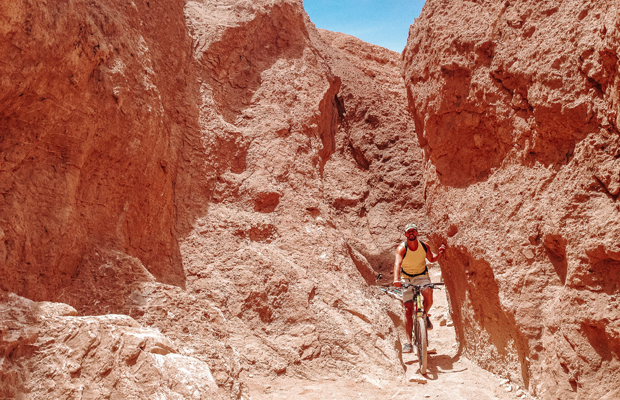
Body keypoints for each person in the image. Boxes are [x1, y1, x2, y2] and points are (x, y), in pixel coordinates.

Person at [393, 223, 446, 353]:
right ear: (405, 235)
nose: (411, 233)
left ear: (417, 233)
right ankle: (408, 342)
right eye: (408, 232)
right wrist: (396, 279)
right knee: (408, 310)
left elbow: (431, 259)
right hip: (407, 278)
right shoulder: (402, 248)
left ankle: (425, 315)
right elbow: (397, 264)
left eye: (413, 231)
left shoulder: (424, 246)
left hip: (422, 275)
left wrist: (439, 254)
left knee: (428, 292)